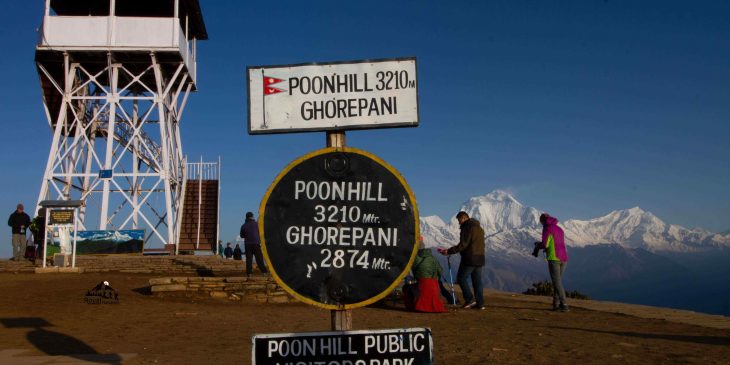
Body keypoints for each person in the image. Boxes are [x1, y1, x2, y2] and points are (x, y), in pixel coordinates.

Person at [439, 211, 485, 310]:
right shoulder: (479, 228)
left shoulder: (467, 227)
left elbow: (463, 244)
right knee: (477, 281)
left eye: (459, 220)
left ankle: (469, 299)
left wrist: (449, 251)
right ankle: (480, 303)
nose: (459, 223)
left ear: (464, 218)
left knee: (461, 278)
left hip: (470, 258)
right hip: (480, 258)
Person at [533, 213, 569, 312]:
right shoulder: (559, 229)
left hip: (554, 258)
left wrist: (537, 245)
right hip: (564, 258)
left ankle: (564, 304)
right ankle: (556, 304)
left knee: (557, 283)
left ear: (542, 221)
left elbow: (545, 244)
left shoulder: (547, 228)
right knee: (558, 282)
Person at [411, 237, 448, 313]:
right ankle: (450, 299)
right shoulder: (433, 258)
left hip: (421, 283)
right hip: (433, 283)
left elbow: (414, 271)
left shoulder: (415, 258)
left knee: (407, 287)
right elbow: (440, 270)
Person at [240, 212, 268, 276]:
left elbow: (241, 235)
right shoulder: (257, 224)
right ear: (252, 217)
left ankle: (249, 273)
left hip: (247, 244)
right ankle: (264, 272)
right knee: (259, 258)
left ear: (246, 217)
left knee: (249, 259)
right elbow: (261, 233)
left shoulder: (243, 226)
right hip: (256, 243)